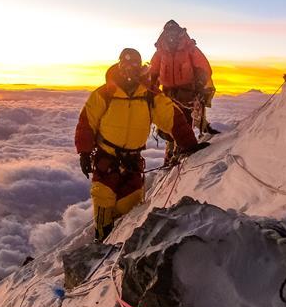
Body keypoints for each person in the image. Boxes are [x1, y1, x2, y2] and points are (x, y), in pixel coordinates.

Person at [75, 48, 207, 242]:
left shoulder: (150, 95)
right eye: (125, 63)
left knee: (130, 209)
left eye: (134, 63)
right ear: (119, 64)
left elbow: (172, 117)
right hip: (106, 159)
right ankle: (102, 241)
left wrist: (188, 144)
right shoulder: (105, 93)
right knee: (104, 201)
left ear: (140, 66)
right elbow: (87, 122)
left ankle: (120, 245)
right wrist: (84, 153)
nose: (129, 68)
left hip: (132, 163)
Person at [150, 20, 218, 161]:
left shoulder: (190, 48)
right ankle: (171, 152)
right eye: (169, 32)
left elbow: (204, 68)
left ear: (179, 33)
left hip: (187, 92)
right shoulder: (160, 52)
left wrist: (200, 85)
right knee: (169, 121)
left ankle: (181, 151)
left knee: (184, 120)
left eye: (174, 32)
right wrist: (150, 88)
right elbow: (153, 72)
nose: (171, 35)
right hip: (167, 92)